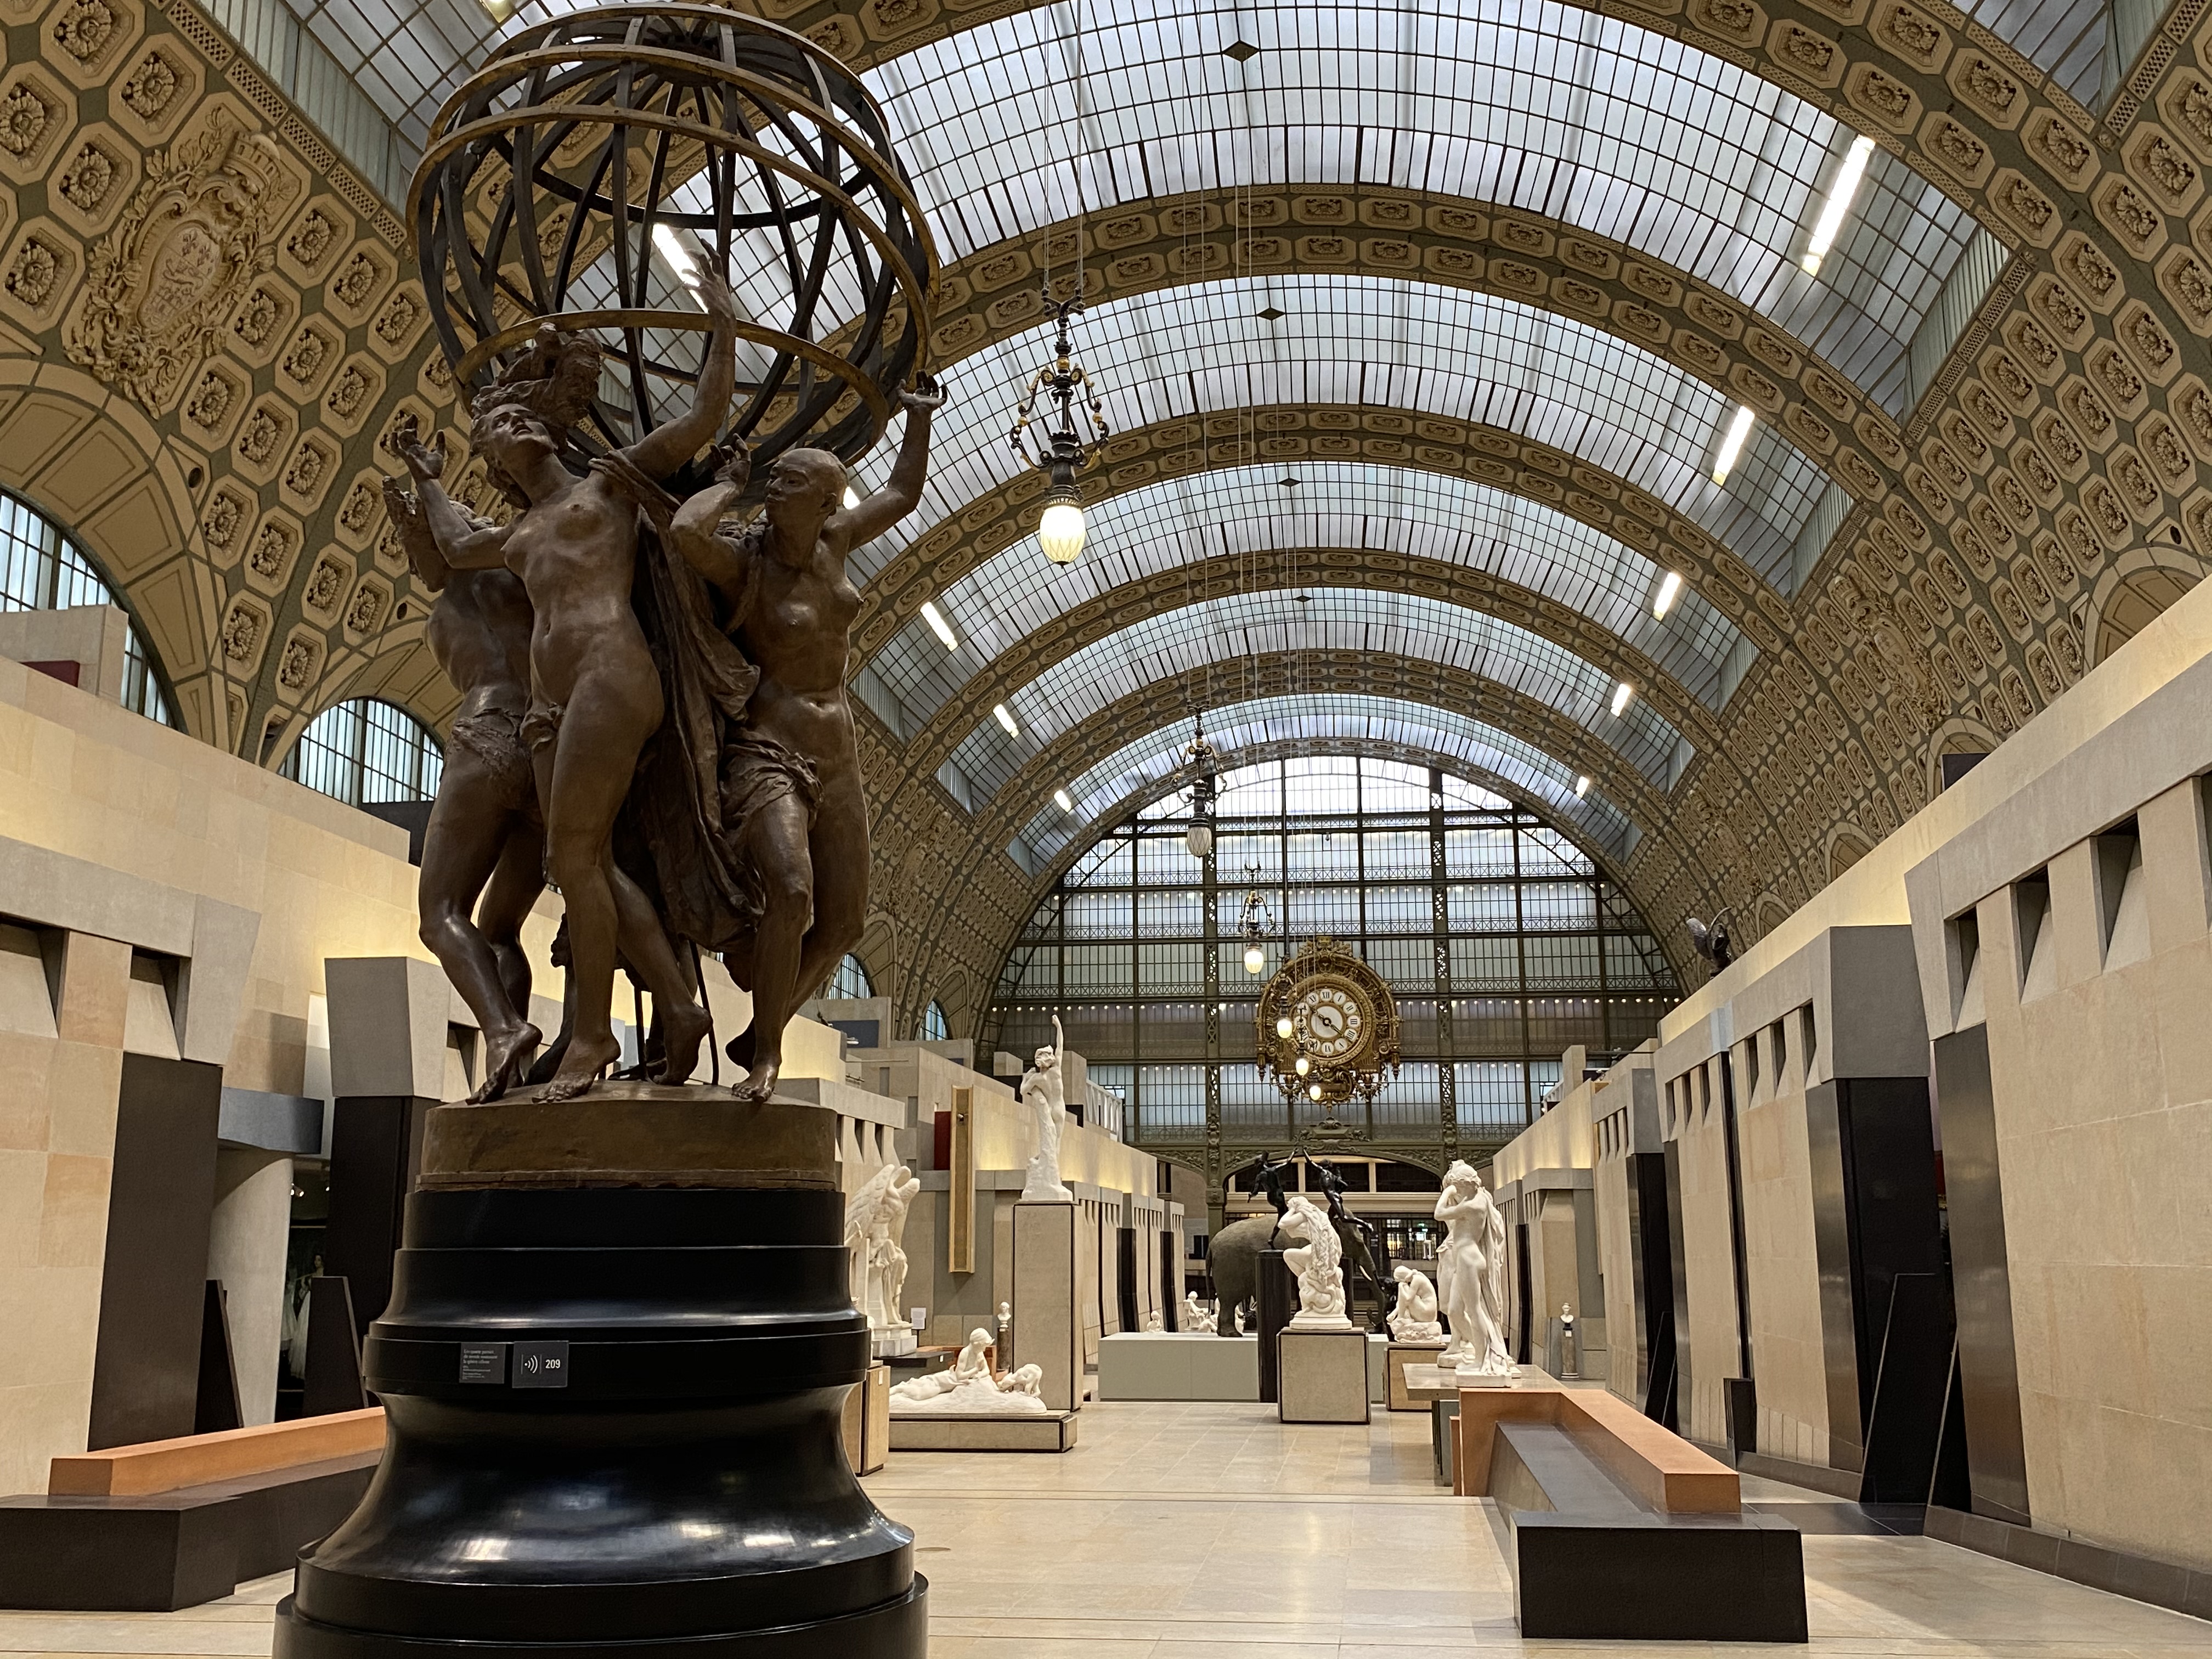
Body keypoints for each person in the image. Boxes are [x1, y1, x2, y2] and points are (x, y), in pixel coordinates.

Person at [404, 281, 745, 1101]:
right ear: (492, 459)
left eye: (520, 418)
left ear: (549, 427)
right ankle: (671, 1003)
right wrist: (426, 480)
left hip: (609, 677)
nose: (511, 429)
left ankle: (594, 1034)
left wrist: (722, 328)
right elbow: (450, 545)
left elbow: (699, 420)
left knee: (576, 857)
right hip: (552, 707)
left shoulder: (610, 487)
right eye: (496, 430)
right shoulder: (516, 532)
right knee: (574, 860)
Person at [604, 374, 944, 1101]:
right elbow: (688, 533)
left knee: (846, 920)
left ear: (823, 502)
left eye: (790, 482)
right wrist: (728, 484)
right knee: (792, 892)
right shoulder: (744, 561)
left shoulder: (837, 540)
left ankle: (763, 1029)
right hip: (769, 750)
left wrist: (916, 417)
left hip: (839, 753)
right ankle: (769, 1060)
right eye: (778, 480)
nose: (777, 488)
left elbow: (906, 493)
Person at [383, 421, 544, 1101]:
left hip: (486, 739)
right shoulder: (528, 579)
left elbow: (442, 546)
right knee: (503, 925)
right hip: (544, 748)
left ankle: (504, 1029)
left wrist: (427, 483)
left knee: (440, 912)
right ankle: (513, 1076)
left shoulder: (453, 604)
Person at [1434, 1159, 1513, 1372]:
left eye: (1458, 1187)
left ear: (1466, 1185)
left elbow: (1439, 1214)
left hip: (1469, 1259)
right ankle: (1485, 1349)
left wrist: (1447, 1193)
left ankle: (1483, 1357)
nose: (1456, 1192)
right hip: (1464, 1259)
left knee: (1475, 1310)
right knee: (1454, 1310)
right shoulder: (1475, 1200)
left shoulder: (1472, 1205)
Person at [1019, 1012, 1073, 1201]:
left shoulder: (1037, 1078)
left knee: (1049, 1140)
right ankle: (1048, 1171)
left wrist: (1028, 1077)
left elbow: (1023, 1090)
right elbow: (1061, 1046)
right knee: (1054, 1142)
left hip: (1050, 1109)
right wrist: (1058, 1027)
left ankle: (1046, 1168)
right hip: (1059, 1109)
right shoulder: (1056, 1069)